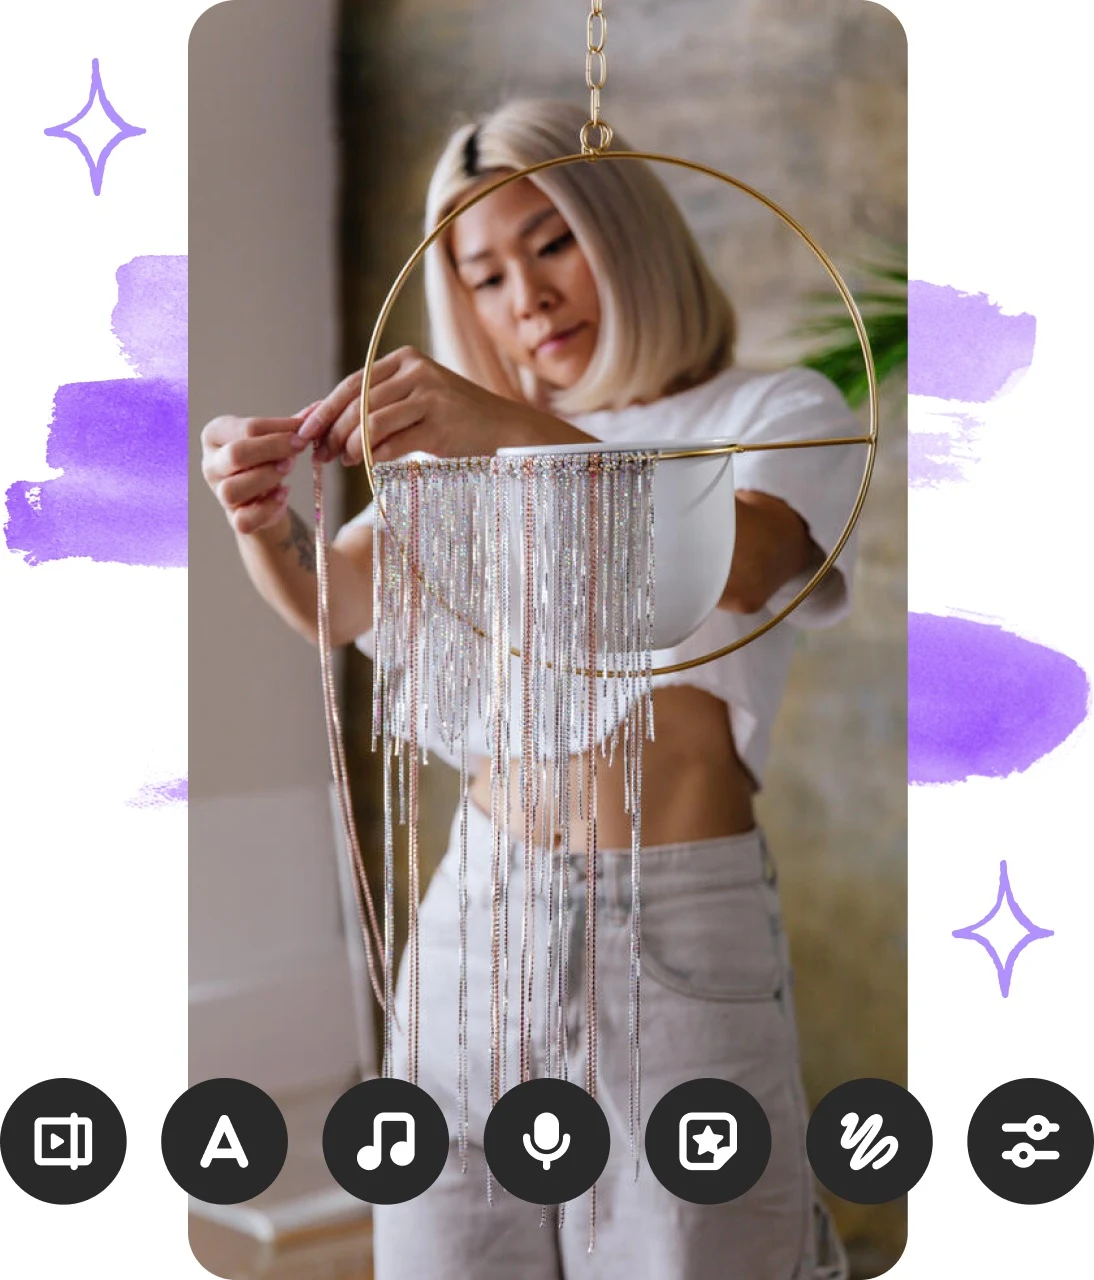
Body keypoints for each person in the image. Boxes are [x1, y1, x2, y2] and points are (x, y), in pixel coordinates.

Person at [201, 98, 861, 1280]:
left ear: (625, 230)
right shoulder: (457, 454)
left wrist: (504, 425)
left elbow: (746, 559)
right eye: (486, 274)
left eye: (549, 241)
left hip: (669, 928)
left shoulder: (771, 411)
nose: (527, 298)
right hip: (469, 918)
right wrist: (263, 521)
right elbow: (336, 607)